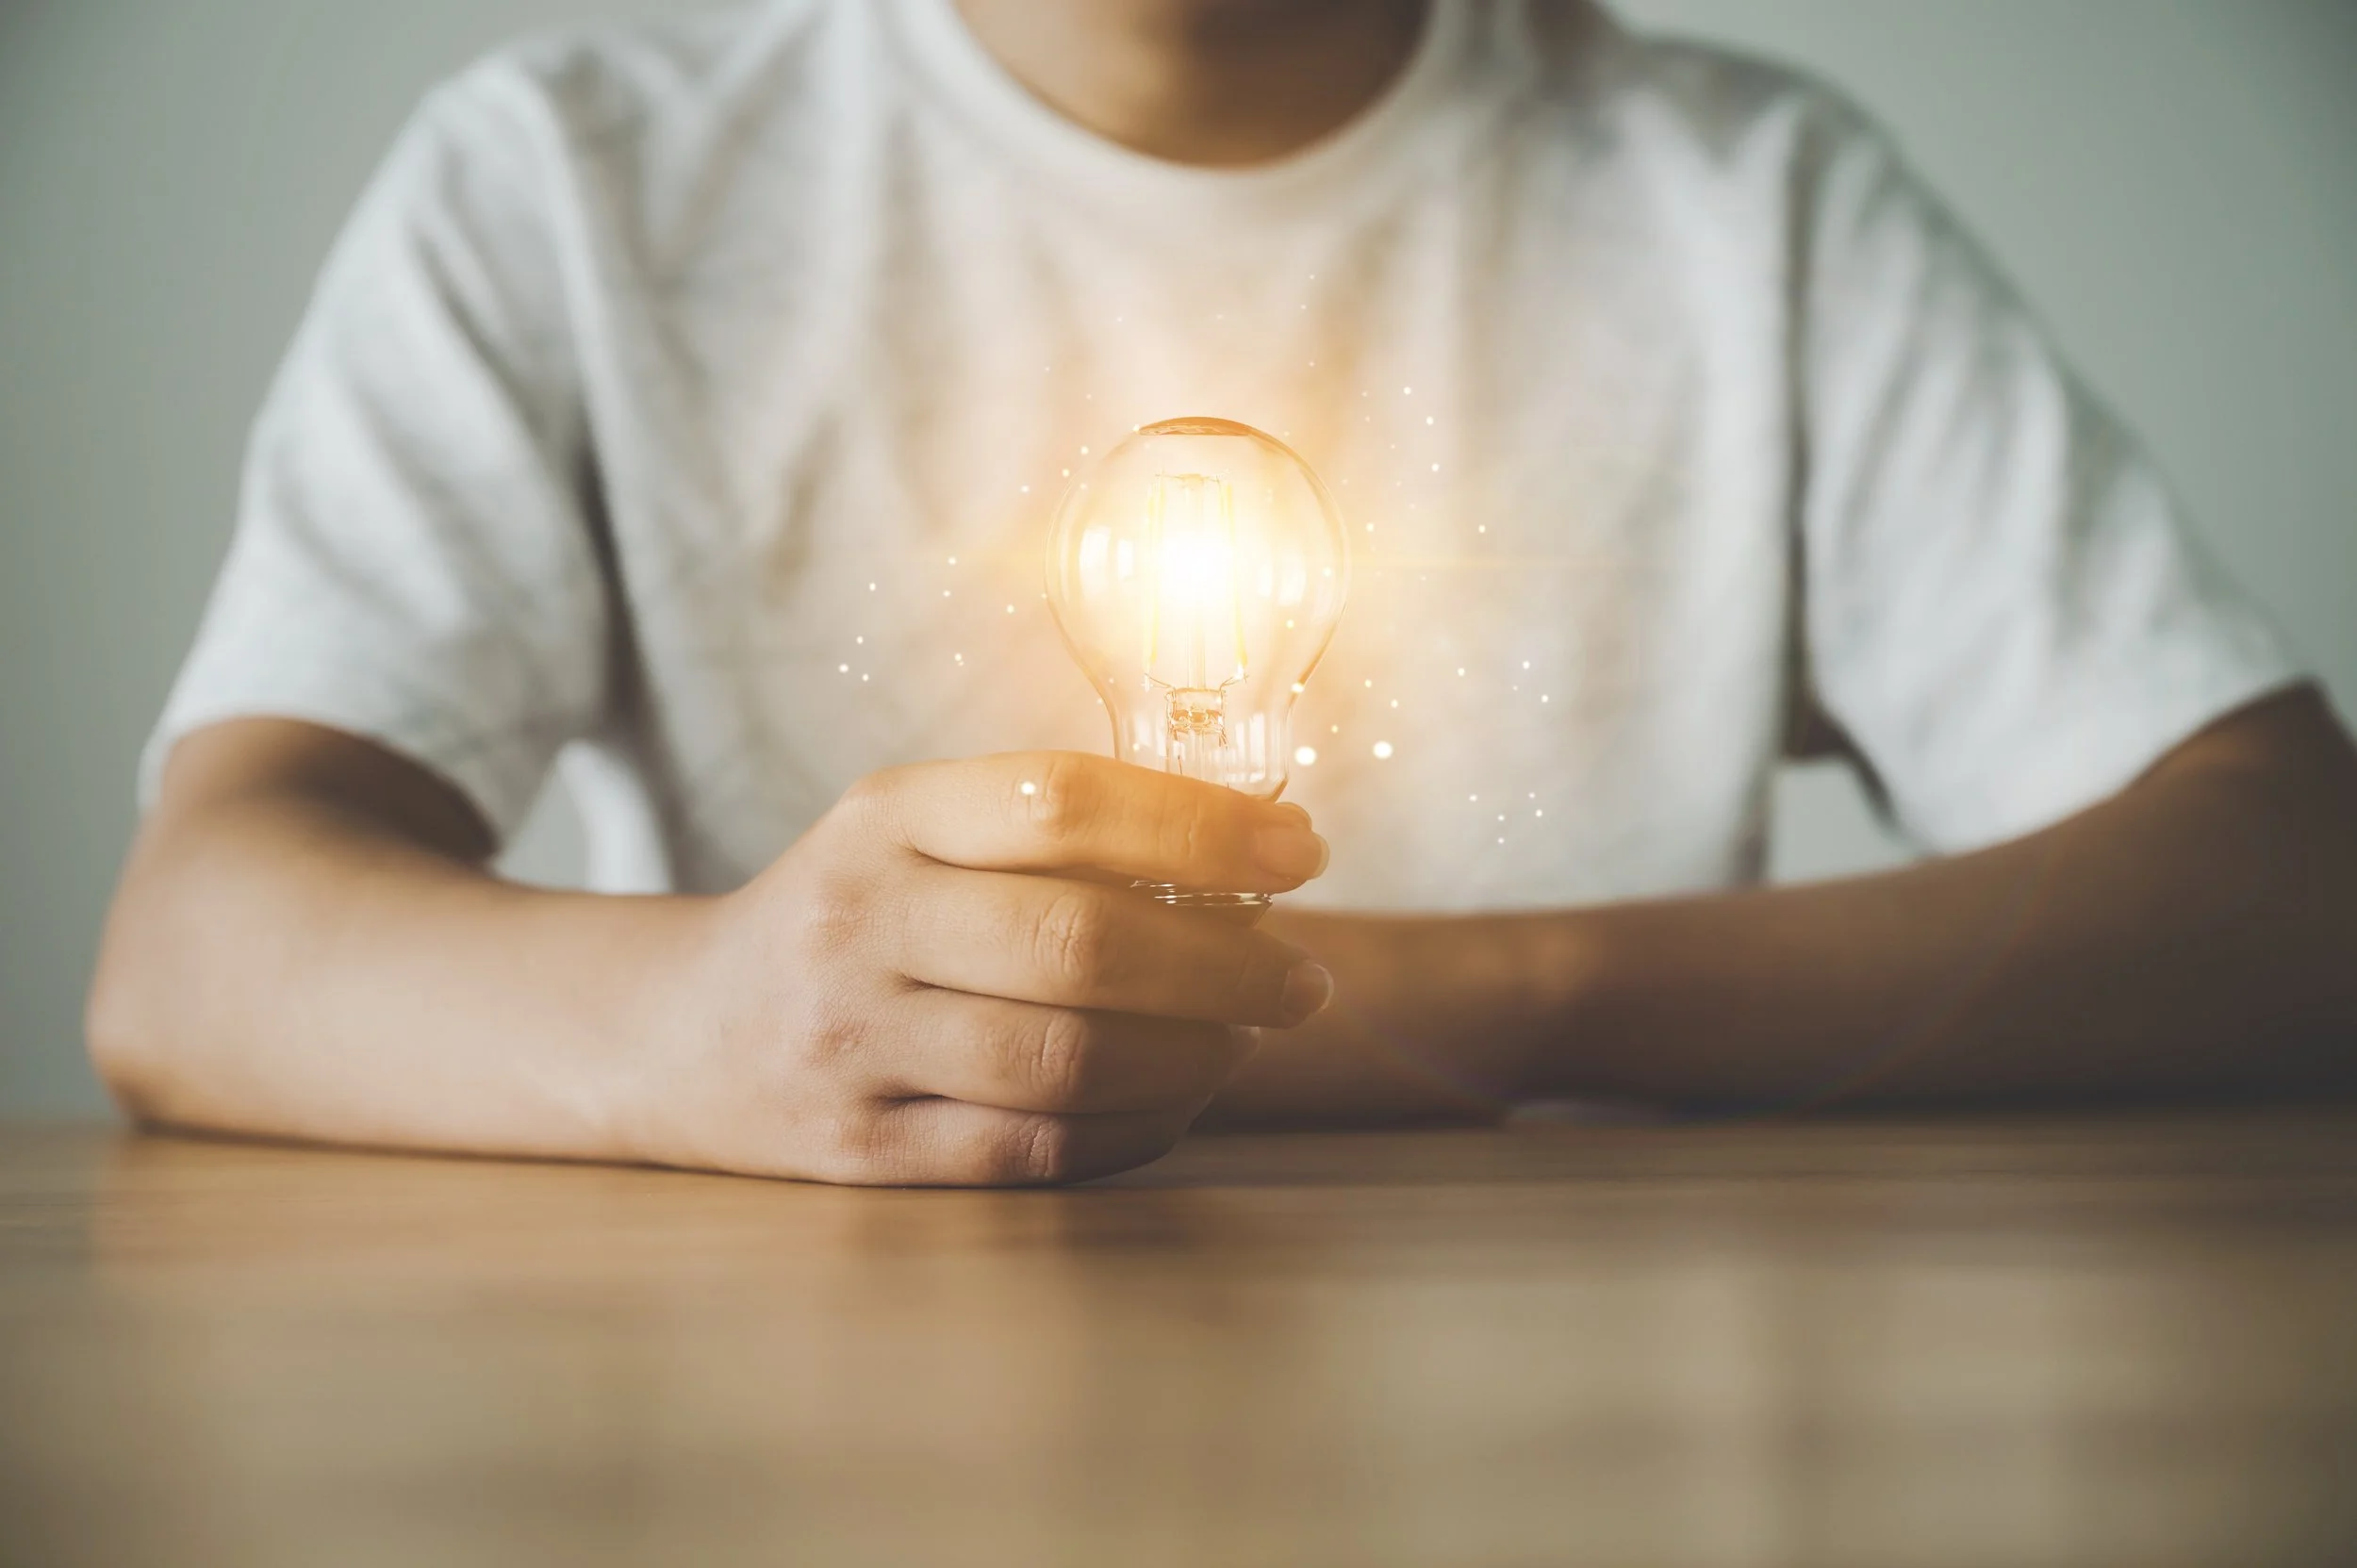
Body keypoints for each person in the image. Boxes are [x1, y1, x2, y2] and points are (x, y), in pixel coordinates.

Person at [88, 0, 2357, 1185]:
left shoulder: (1743, 199)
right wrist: (711, 1024)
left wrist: (1465, 1000)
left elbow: (2292, 892)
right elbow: (194, 951)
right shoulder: (568, 183)